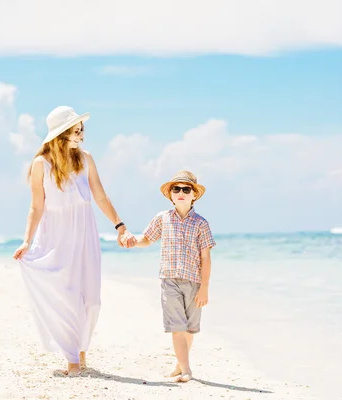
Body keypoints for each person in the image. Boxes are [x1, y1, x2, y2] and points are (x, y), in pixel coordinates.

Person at [13, 105, 136, 377]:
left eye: (81, 129)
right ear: (61, 133)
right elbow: (36, 207)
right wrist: (26, 241)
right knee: (65, 296)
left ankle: (80, 347)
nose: (81, 133)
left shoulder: (86, 159)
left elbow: (101, 197)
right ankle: (72, 359)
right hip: (55, 236)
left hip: (84, 234)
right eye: (76, 129)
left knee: (91, 301)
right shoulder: (40, 164)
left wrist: (120, 225)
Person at [125, 170, 216, 382]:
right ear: (170, 195)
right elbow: (147, 239)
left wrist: (204, 287)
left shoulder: (201, 223)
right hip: (169, 280)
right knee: (177, 326)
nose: (181, 192)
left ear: (194, 195)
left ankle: (179, 364)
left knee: (190, 329)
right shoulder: (162, 218)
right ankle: (186, 371)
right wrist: (132, 241)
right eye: (177, 189)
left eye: (186, 189)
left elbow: (206, 258)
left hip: (194, 282)